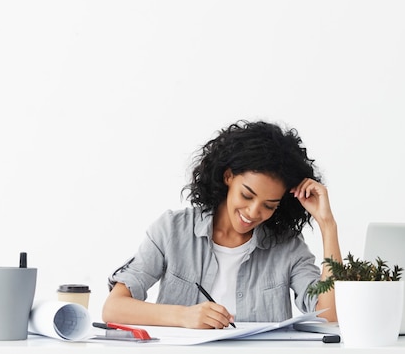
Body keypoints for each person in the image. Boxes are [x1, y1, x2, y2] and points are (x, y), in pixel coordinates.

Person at [102, 120, 342, 329]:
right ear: (228, 177)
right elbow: (114, 307)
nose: (253, 212)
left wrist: (327, 225)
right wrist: (184, 315)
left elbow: (330, 315)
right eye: (247, 195)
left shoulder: (287, 246)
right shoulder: (172, 230)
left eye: (269, 205)